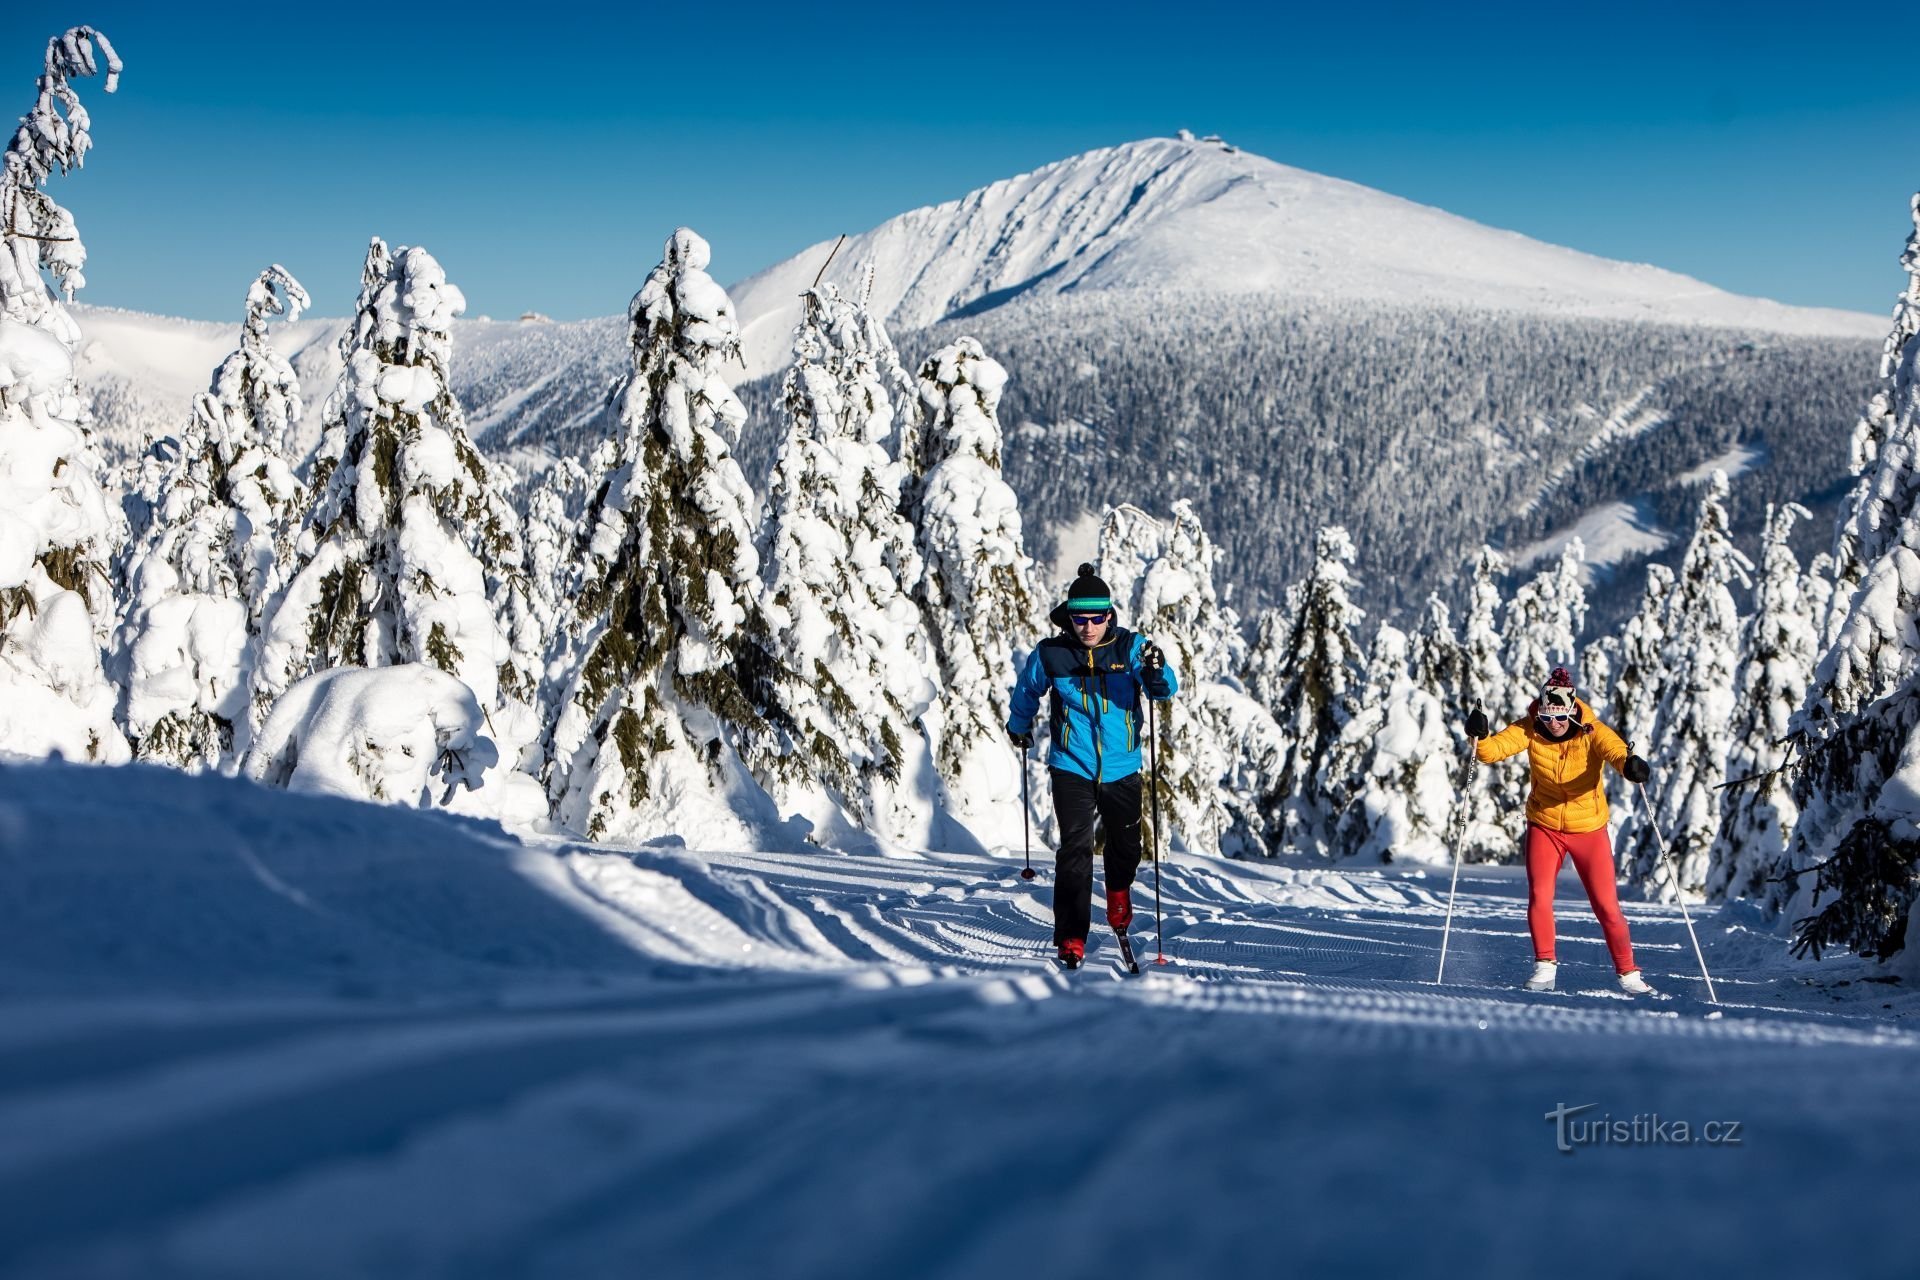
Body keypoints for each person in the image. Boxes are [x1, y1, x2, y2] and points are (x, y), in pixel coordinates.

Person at [1007, 564, 1178, 969]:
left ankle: (1118, 893)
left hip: (1122, 766)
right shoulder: (1052, 654)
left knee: (1127, 848)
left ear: (1109, 615)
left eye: (1096, 618)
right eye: (1079, 619)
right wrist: (1019, 726)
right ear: (1069, 617)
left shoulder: (1131, 648)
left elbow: (1164, 689)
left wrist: (1156, 670)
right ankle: (1070, 936)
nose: (1088, 627)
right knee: (1076, 850)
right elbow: (1028, 689)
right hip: (1072, 764)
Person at [1468, 666, 1655, 995]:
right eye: (1547, 716)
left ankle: (1628, 972)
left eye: (1560, 717)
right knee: (1540, 895)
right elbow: (1490, 752)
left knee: (1607, 906)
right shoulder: (1530, 728)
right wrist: (1480, 736)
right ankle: (1544, 966)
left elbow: (1616, 752)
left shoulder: (1591, 730)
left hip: (1588, 829)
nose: (1553, 724)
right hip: (1545, 824)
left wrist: (1630, 766)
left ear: (1572, 713)